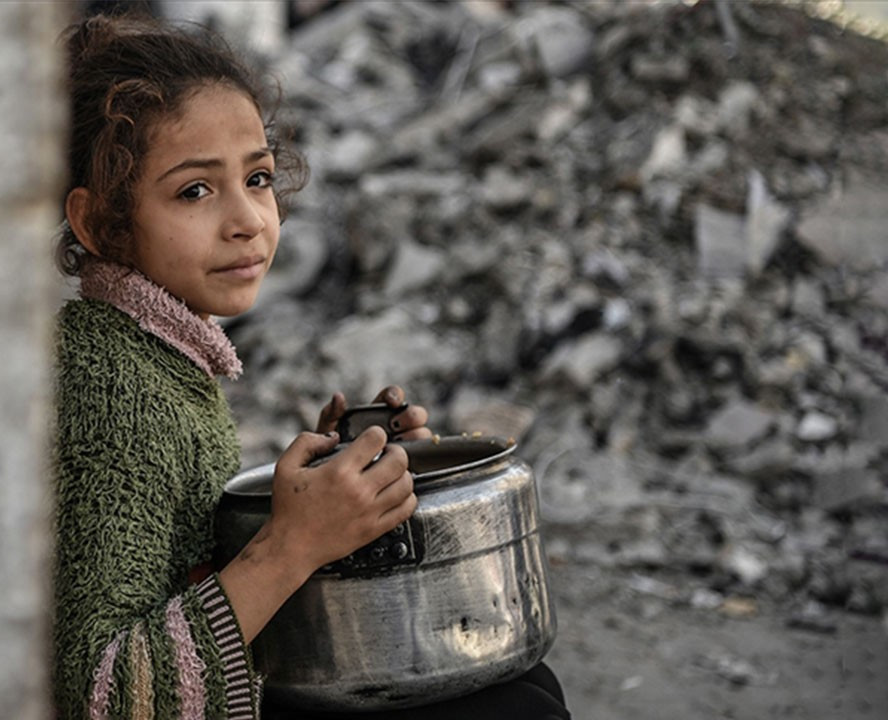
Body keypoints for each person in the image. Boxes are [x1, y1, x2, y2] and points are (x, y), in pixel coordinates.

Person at [52, 13, 569, 720]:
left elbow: (180, 553)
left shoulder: (153, 353)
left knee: (522, 687)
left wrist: (327, 488)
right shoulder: (110, 388)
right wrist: (292, 544)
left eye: (257, 178)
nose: (248, 219)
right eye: (195, 191)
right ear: (100, 222)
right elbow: (103, 695)